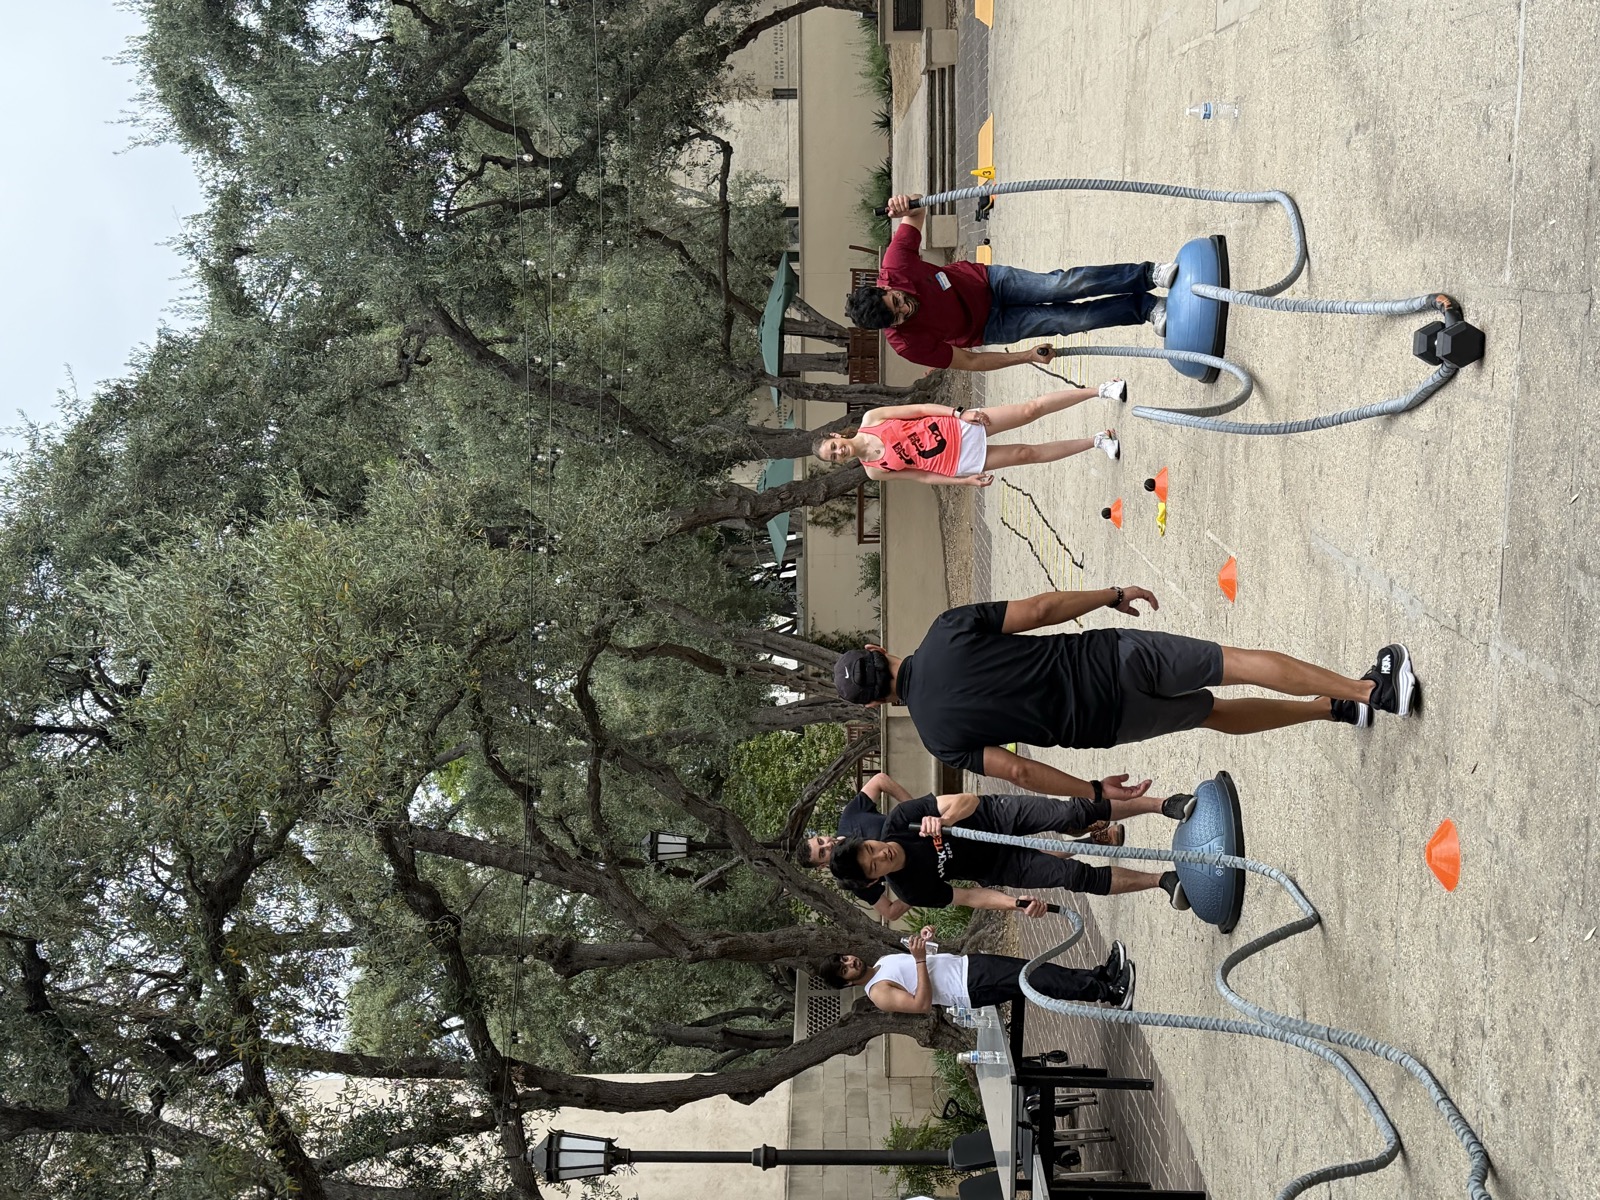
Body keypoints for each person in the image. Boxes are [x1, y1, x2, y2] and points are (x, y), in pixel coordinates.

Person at [831, 588, 1416, 800]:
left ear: (878, 705)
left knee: (1212, 714)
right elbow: (1038, 610)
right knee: (1229, 664)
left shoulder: (937, 739)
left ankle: (1331, 709)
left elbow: (1022, 775)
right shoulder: (945, 631)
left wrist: (1093, 793)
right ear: (880, 651)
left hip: (1106, 724)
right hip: (1108, 658)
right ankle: (1370, 689)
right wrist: (1107, 594)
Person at [844, 192, 1174, 373]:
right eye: (899, 317)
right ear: (891, 328)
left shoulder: (895, 264)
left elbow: (916, 212)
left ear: (885, 287)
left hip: (988, 283)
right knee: (1069, 320)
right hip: (991, 325)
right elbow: (970, 362)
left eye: (897, 302)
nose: (906, 309)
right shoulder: (906, 345)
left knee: (1062, 286)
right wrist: (1025, 356)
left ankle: (1148, 274)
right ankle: (1146, 308)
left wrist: (907, 204)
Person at [799, 774, 1132, 920]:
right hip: (981, 864)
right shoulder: (864, 882)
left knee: (1065, 813)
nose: (827, 845)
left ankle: (1091, 822)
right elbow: (890, 909)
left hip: (981, 819)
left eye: (821, 841)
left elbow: (882, 780)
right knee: (1058, 868)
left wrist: (926, 811)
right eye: (822, 853)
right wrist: (916, 893)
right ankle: (1089, 840)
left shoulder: (863, 819)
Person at [827, 790, 1195, 912]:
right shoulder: (911, 889)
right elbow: (969, 896)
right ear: (875, 879)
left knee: (1074, 812)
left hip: (995, 815)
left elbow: (967, 800)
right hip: (998, 865)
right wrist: (1015, 905)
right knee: (1074, 876)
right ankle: (1161, 880)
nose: (881, 856)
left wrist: (945, 820)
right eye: (873, 867)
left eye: (872, 849)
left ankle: (1163, 805)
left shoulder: (902, 820)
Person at [811, 382, 1125, 490]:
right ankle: (1098, 440)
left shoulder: (871, 419)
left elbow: (919, 409)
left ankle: (1101, 390)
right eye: (834, 457)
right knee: (1026, 454)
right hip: (958, 461)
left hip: (958, 427)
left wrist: (959, 413)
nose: (839, 452)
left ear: (837, 435)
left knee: (1030, 410)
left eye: (834, 446)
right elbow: (922, 478)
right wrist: (964, 481)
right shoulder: (874, 471)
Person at [820, 926, 1135, 1011]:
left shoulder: (881, 963)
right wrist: (917, 959)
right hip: (969, 987)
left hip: (968, 966)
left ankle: (1098, 976)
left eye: (845, 958)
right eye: (845, 970)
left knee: (1036, 968)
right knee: (1037, 980)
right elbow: (921, 1004)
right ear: (847, 984)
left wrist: (928, 943)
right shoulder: (878, 994)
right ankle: (1109, 992)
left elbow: (927, 963)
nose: (850, 963)